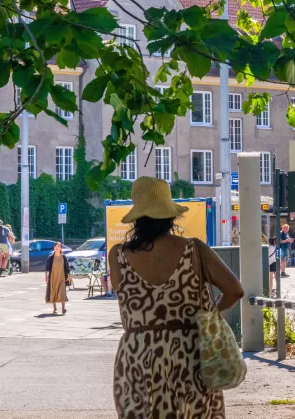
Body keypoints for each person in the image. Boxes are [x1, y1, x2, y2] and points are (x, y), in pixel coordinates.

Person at [109, 177, 243, 418]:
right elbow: (235, 290)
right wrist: (209, 316)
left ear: (137, 217)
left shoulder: (118, 255)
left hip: (137, 357)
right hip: (189, 354)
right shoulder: (194, 249)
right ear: (170, 215)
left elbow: (124, 296)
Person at [45, 242, 70, 315]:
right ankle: (55, 308)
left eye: (59, 246)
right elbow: (47, 268)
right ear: (54, 248)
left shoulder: (63, 257)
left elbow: (67, 267)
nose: (57, 247)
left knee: (62, 292)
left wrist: (68, 276)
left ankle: (63, 308)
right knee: (53, 292)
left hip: (61, 277)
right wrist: (46, 277)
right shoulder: (51, 257)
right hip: (53, 277)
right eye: (56, 246)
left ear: (61, 248)